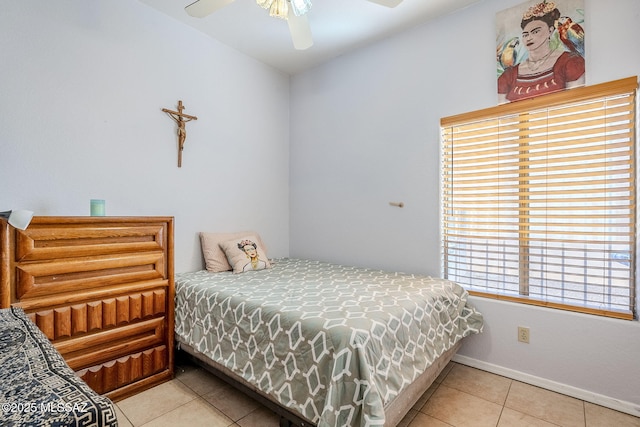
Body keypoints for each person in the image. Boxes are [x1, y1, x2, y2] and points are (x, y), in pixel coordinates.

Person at [497, 1, 584, 103]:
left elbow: (575, 106)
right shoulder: (509, 75)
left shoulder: (570, 62)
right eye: (525, 34)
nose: (529, 38)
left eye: (536, 32)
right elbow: (501, 114)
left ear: (550, 31)